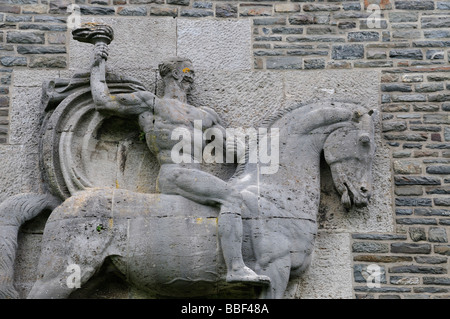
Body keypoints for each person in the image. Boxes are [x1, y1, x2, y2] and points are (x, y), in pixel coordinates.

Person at [90, 42, 270, 285]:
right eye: (188, 70)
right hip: (173, 174)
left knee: (243, 197)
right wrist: (97, 65)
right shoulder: (150, 104)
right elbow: (103, 102)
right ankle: (236, 268)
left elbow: (234, 148)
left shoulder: (204, 115)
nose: (192, 75)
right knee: (231, 197)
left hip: (195, 176)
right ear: (175, 72)